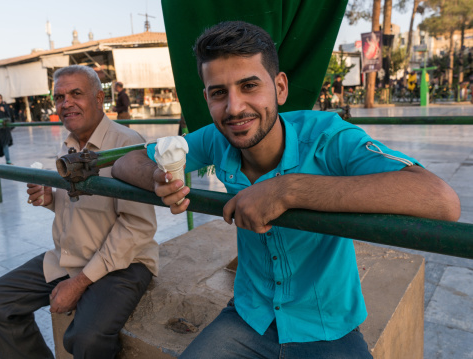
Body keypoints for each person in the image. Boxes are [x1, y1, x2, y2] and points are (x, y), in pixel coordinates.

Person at [112, 21, 461, 359]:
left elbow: (440, 199)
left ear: (279, 88)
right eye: (219, 93)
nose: (234, 108)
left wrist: (288, 190)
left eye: (250, 86)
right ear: (207, 98)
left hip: (328, 326)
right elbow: (126, 162)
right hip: (249, 316)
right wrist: (159, 179)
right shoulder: (214, 139)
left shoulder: (328, 137)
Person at [0, 65, 159, 359]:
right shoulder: (70, 144)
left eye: (76, 94)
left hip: (123, 263)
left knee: (86, 339)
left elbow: (137, 228)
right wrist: (52, 198)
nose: (66, 103)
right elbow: (81, 208)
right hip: (72, 254)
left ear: (100, 98)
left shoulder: (125, 143)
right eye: (59, 97)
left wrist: (78, 283)